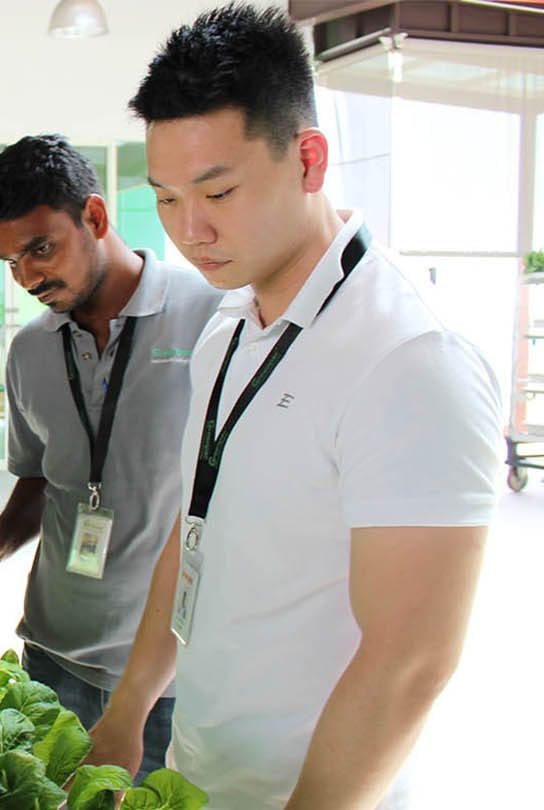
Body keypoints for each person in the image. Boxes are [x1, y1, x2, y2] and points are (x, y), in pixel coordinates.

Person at [87, 6, 502, 808]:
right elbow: (198, 519)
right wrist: (132, 704)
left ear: (309, 158)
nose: (190, 230)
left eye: (220, 190)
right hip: (200, 773)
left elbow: (411, 661)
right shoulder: (228, 327)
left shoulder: (407, 356)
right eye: (167, 198)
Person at [0, 134, 221, 780]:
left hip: (166, 684)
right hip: (51, 661)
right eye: (10, 262)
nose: (28, 277)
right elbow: (42, 477)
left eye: (41, 248)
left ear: (95, 217)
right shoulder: (29, 353)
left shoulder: (210, 319)